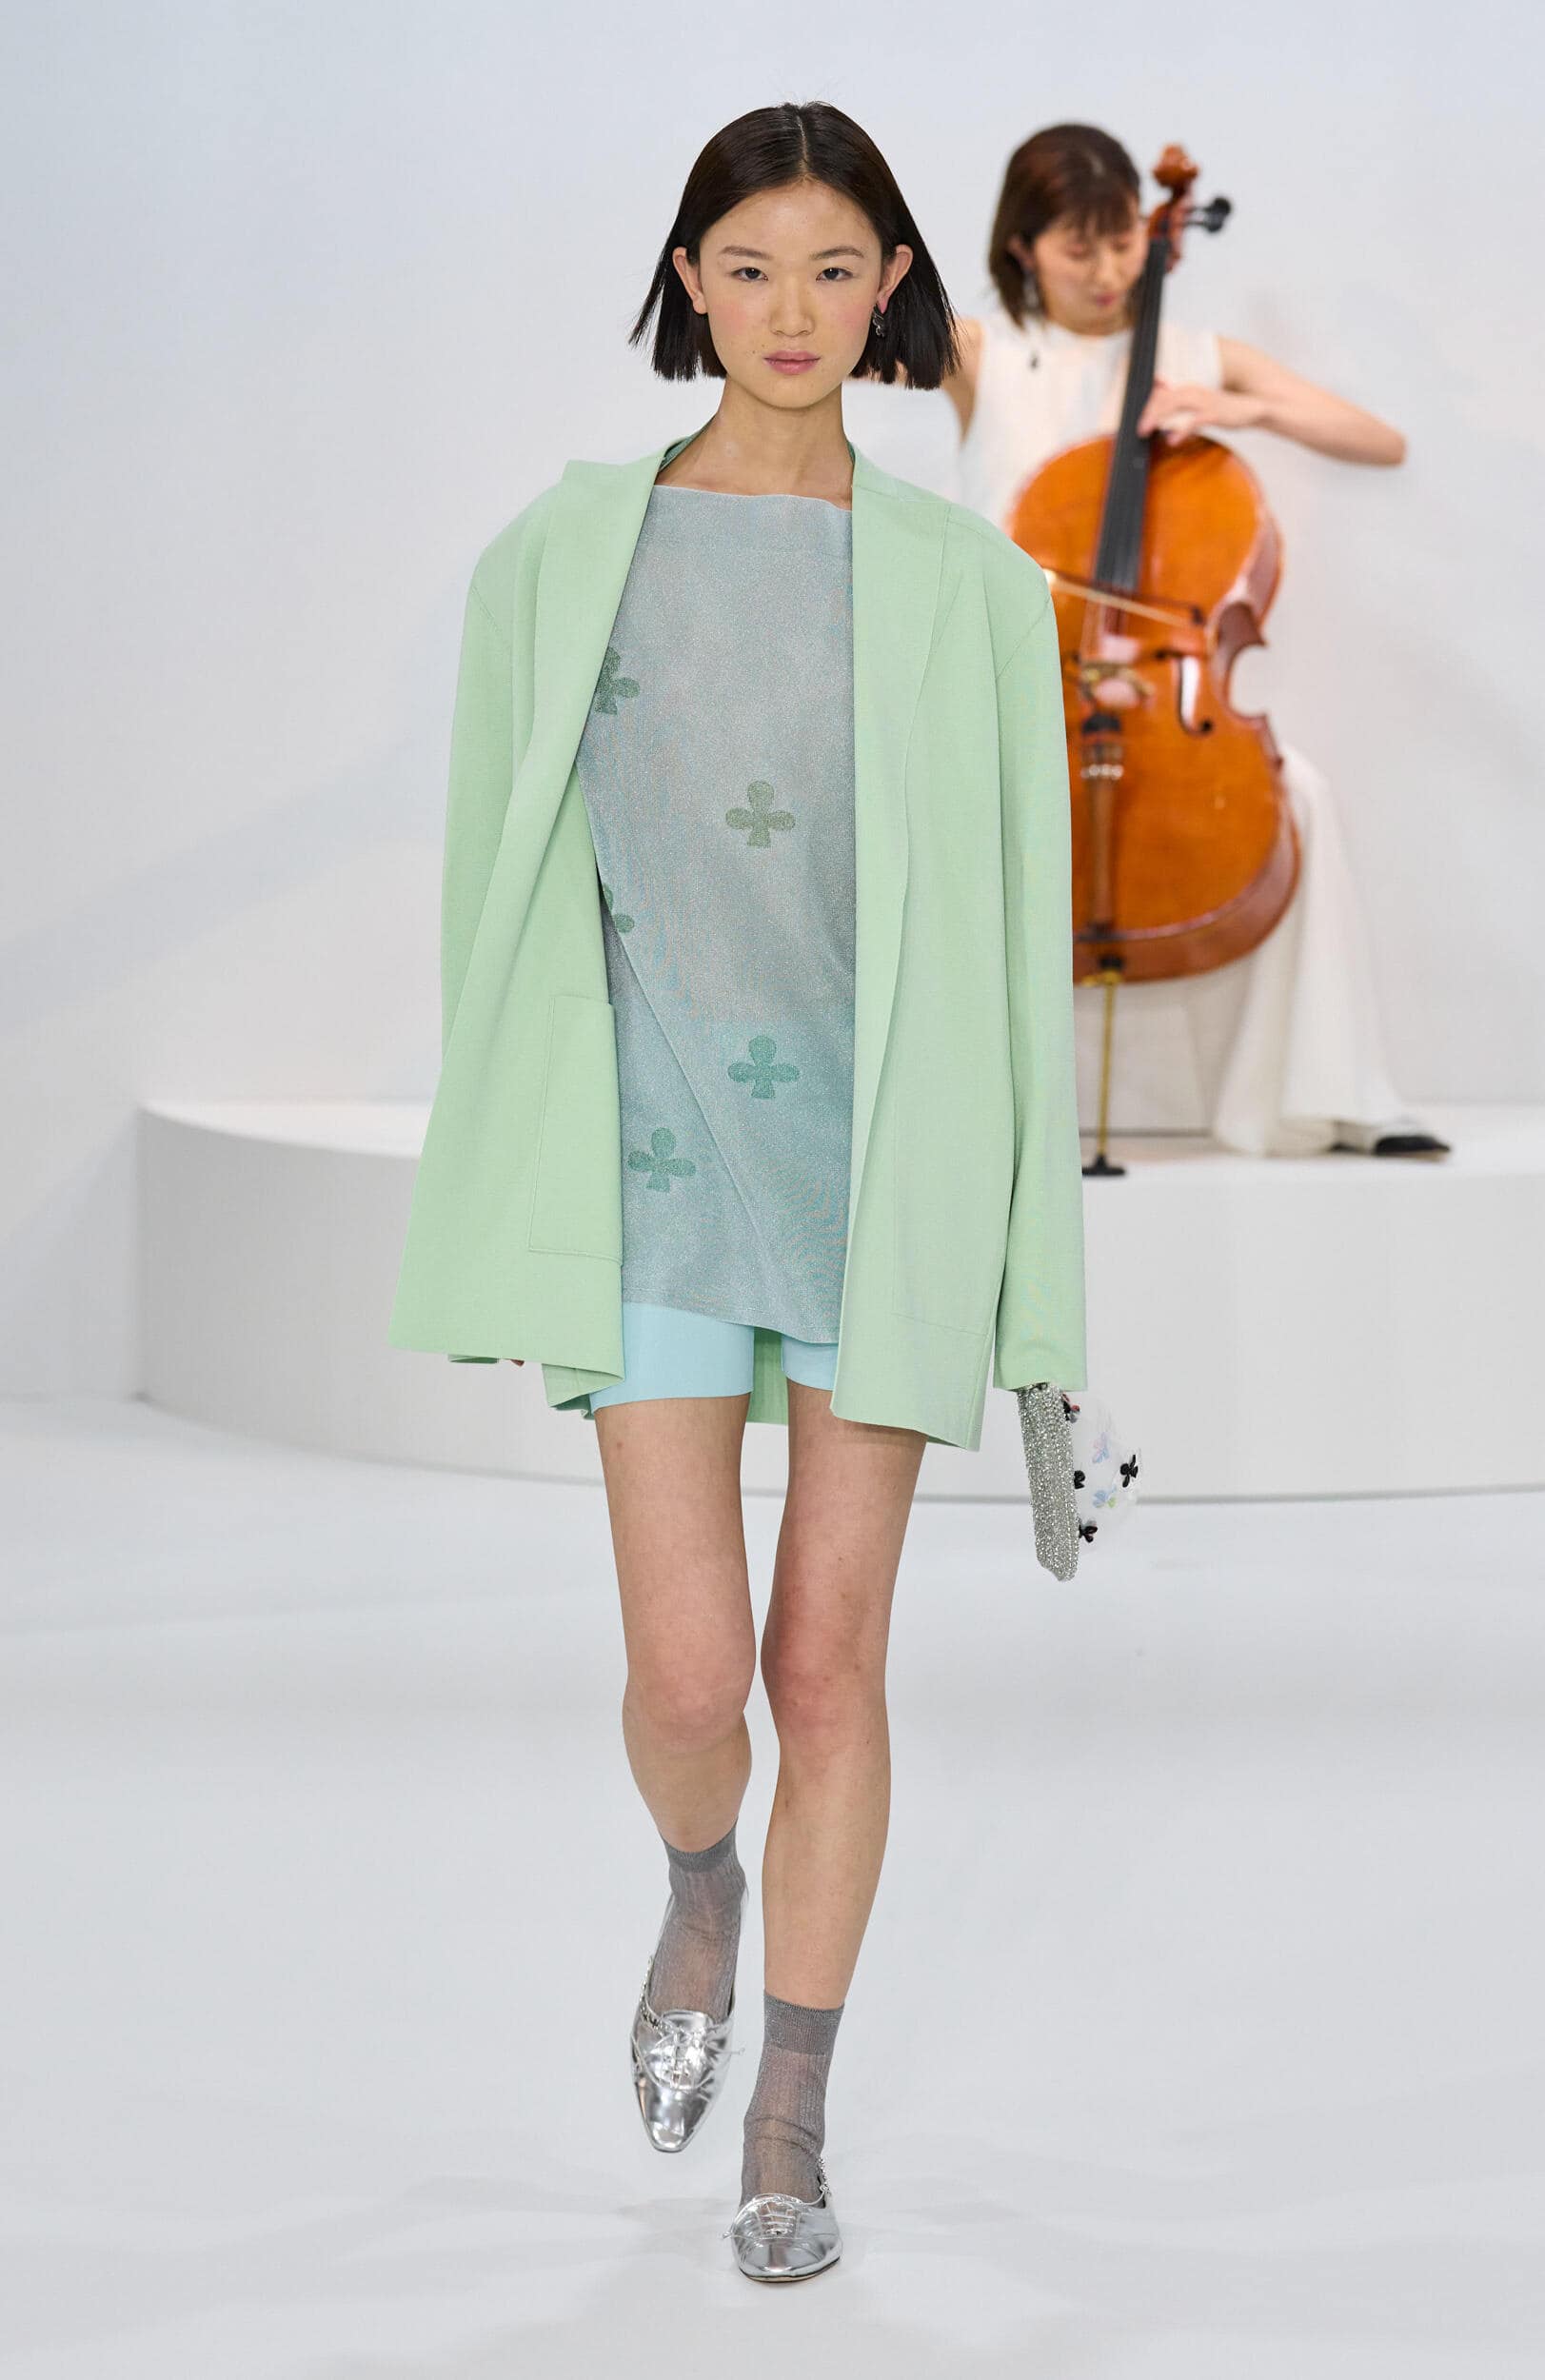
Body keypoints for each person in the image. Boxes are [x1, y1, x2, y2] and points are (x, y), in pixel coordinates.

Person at [386, 100, 1088, 2282]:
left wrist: (1027, 1281)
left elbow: (1014, 948)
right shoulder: (557, 556)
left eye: (835, 268)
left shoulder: (971, 590)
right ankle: (699, 1881)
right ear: (688, 280)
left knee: (826, 1663)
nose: (793, 310)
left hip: (877, 1176)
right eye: (752, 265)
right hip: (653, 1168)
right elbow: (493, 900)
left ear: (894, 291)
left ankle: (789, 2107)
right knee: (693, 1683)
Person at [943, 122, 1449, 1160]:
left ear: (1152, 231)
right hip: (1013, 683)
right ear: (1022, 247)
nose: (1107, 272)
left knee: (1296, 797)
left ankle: (1332, 1097)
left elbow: (1381, 440)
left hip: (1160, 697)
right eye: (1077, 249)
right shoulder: (982, 353)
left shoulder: (1193, 355)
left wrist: (1235, 407)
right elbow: (839, 342)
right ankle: (949, 1105)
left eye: (1123, 242)